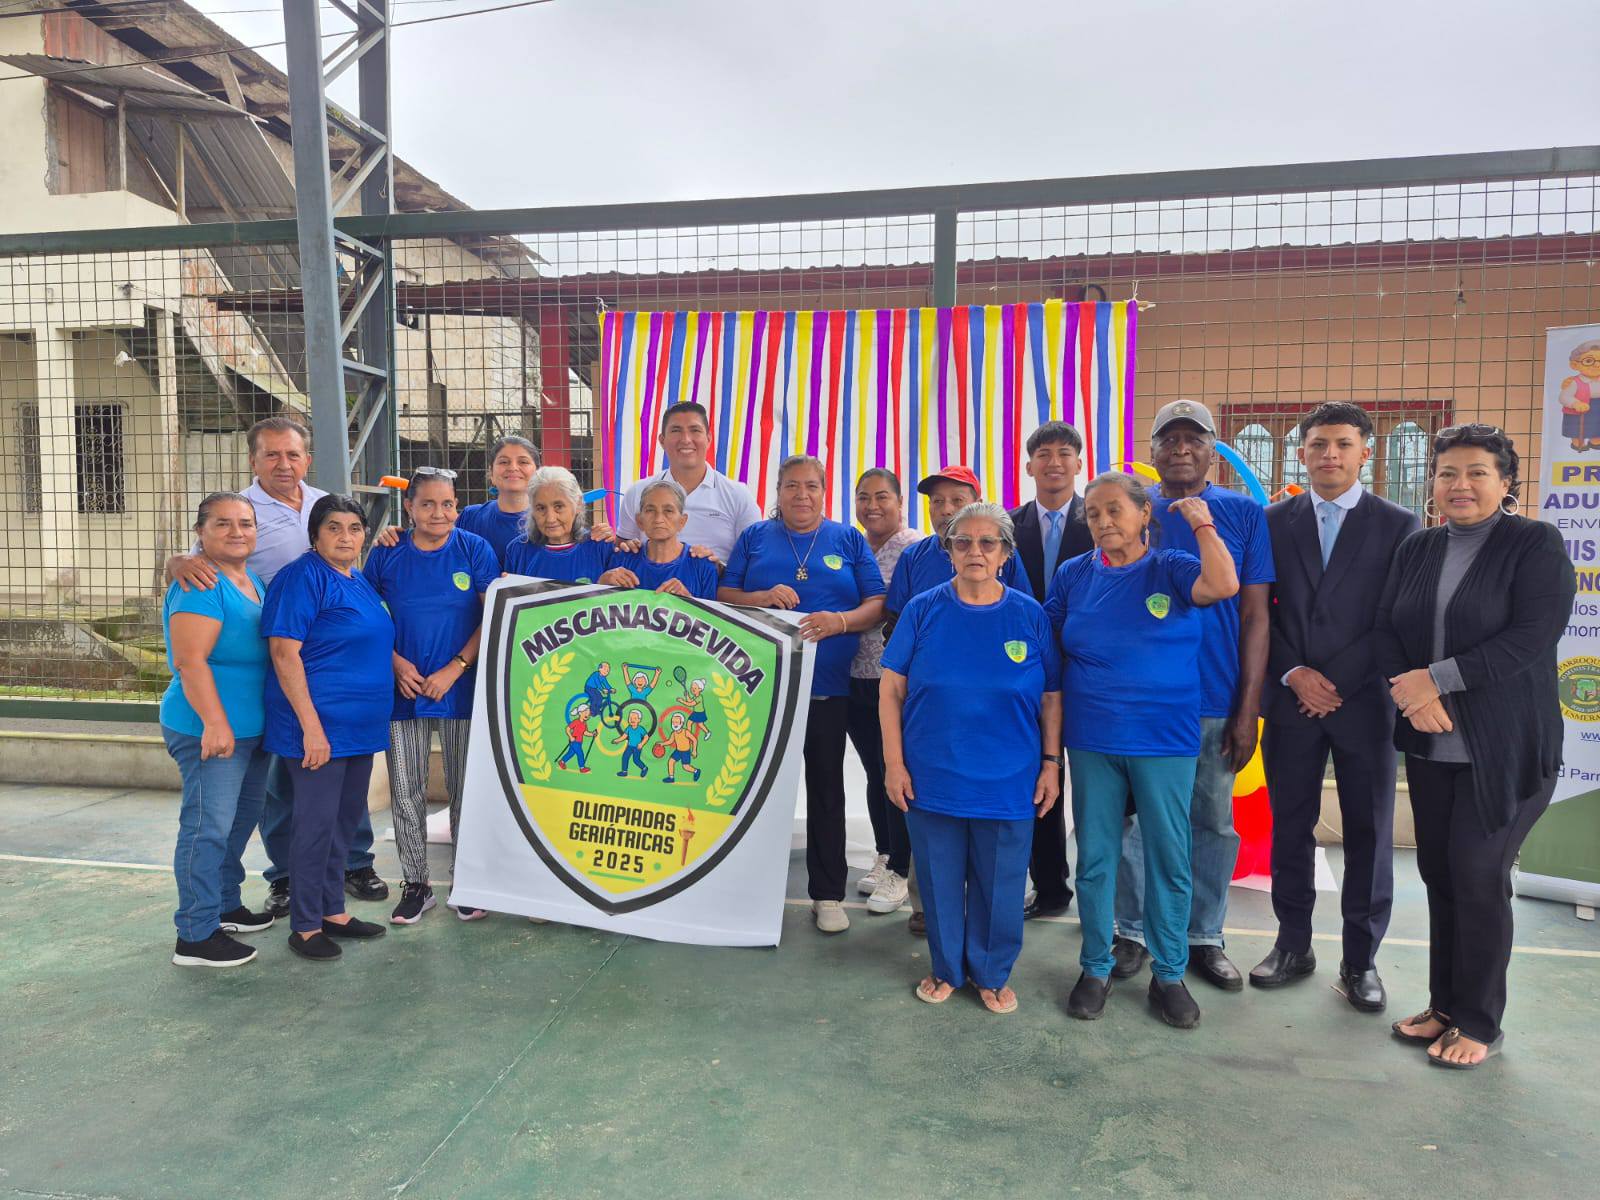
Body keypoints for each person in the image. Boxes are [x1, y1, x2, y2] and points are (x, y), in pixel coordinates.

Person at [1376, 424, 1575, 1068]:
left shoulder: (1534, 544)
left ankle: (1481, 1022)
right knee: (1439, 874)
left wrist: (1434, 680)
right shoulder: (1418, 547)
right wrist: (1413, 696)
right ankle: (1445, 1005)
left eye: (1477, 472)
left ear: (1506, 481)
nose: (1460, 485)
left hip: (1506, 749)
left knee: (1478, 875)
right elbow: (1386, 630)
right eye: (1447, 473)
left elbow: (1531, 637)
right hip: (1432, 746)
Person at [167, 416, 387, 918]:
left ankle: (339, 874)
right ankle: (276, 887)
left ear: (307, 458)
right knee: (268, 801)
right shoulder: (238, 512)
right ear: (253, 460)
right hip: (266, 687)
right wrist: (177, 561)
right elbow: (194, 620)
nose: (283, 464)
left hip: (284, 690)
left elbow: (352, 561)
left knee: (316, 798)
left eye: (292, 454)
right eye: (271, 454)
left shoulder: (322, 506)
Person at [1049, 472, 1239, 1027]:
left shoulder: (1172, 566)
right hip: (1093, 737)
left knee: (1168, 855)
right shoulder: (1073, 574)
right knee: (1096, 857)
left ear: (1144, 514)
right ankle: (1095, 967)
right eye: (1093, 513)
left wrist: (1202, 523)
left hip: (1163, 738)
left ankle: (1170, 974)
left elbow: (1224, 585)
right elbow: (1047, 642)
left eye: (1114, 510)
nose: (1103, 521)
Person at [1251, 403, 1420, 1010]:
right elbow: (1259, 610)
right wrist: (1295, 674)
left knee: (1369, 833)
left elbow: (1395, 616)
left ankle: (1360, 961)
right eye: (1319, 444)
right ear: (1301, 453)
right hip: (1290, 700)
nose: (1330, 454)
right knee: (1290, 826)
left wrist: (1336, 682)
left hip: (1365, 703)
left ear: (1364, 453)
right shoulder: (1272, 521)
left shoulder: (1398, 524)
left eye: (1343, 444)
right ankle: (1292, 944)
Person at [1112, 400, 1273, 993]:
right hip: (1139, 702)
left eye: (1194, 438)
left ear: (1213, 450)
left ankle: (1204, 935)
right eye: (1169, 439)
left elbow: (1256, 615)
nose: (1181, 448)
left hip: (1213, 699)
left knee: (1211, 820)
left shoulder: (1243, 513)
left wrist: (1247, 708)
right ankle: (1130, 931)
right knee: (1133, 823)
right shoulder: (1132, 508)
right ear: (1152, 451)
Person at [881, 503, 1061, 1014]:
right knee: (938, 880)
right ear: (949, 551)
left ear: (1005, 554)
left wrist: (1051, 763)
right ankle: (945, 969)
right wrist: (894, 764)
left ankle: (991, 972)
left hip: (1010, 778)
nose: (975, 551)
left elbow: (1051, 696)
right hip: (932, 775)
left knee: (1001, 883)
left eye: (988, 542)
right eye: (963, 542)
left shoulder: (1030, 615)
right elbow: (890, 690)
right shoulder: (922, 610)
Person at [720, 454, 886, 933]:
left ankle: (827, 894)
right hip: (760, 691)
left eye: (811, 485)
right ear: (778, 491)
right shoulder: (755, 537)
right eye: (791, 485)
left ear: (823, 491)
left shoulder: (847, 539)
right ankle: (743, 890)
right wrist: (761, 598)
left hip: (827, 692)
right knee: (755, 790)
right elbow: (724, 594)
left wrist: (841, 621)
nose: (801, 494)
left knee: (827, 791)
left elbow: (877, 603)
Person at [361, 468, 500, 925]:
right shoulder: (386, 553)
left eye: (447, 504)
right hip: (404, 691)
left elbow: (493, 616)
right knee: (406, 790)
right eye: (427, 504)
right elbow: (366, 617)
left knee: (465, 790)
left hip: (460, 690)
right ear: (409, 508)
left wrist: (455, 667)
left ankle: (466, 881)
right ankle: (416, 885)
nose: (438, 513)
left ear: (457, 507)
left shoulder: (474, 549)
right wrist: (395, 664)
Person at [885, 463, 1018, 935]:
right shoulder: (915, 558)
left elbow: (1017, 618)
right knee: (928, 810)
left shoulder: (1005, 557)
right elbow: (894, 626)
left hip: (991, 718)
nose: (944, 509)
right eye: (937, 501)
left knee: (986, 826)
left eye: (956, 500)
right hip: (931, 711)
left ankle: (984, 918)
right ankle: (927, 905)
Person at [262, 495, 396, 961]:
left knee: (343, 822)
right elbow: (284, 653)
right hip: (318, 728)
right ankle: (304, 926)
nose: (345, 537)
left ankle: (333, 912)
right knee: (315, 826)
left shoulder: (358, 580)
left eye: (354, 528)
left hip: (359, 727)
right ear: (315, 535)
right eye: (333, 527)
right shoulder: (301, 577)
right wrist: (311, 728)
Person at [160, 493, 273, 968]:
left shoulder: (252, 580)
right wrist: (215, 722)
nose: (236, 532)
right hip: (209, 729)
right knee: (206, 828)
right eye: (223, 523)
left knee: (238, 823)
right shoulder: (199, 583)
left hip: (250, 730)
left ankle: (225, 904)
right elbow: (190, 661)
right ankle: (196, 933)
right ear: (200, 532)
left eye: (245, 523)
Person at [1009, 421, 1095, 921]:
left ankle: (1104, 898)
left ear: (1078, 463)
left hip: (1087, 672)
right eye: (1044, 454)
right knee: (1038, 776)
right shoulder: (1007, 526)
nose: (1054, 462)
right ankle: (1049, 888)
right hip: (1025, 673)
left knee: (1096, 787)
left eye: (1065, 453)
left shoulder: (1100, 519)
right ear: (1029, 466)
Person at [848, 469, 922, 916]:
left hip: (893, 680)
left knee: (896, 770)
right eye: (863, 497)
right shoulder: (852, 545)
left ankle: (903, 866)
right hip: (853, 674)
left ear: (899, 502)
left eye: (881, 497)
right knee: (875, 772)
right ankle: (885, 852)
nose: (872, 506)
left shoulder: (913, 548)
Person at [617, 401, 763, 563]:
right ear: (662, 440)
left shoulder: (738, 496)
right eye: (676, 430)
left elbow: (756, 559)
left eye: (695, 430)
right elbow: (622, 551)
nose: (686, 439)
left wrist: (717, 569)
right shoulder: (637, 492)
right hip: (649, 580)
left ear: (708, 439)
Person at [600, 478, 720, 599]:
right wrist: (602, 584)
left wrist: (688, 601)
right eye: (650, 510)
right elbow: (601, 606)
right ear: (639, 521)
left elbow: (712, 611)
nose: (658, 519)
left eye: (668, 510)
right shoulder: (622, 559)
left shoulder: (703, 566)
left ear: (682, 521)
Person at [503, 466, 616, 582]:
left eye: (559, 507)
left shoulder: (600, 546)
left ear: (578, 505)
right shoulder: (518, 550)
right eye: (541, 508)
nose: (550, 519)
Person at [456, 435, 541, 562]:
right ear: (491, 472)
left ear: (537, 471)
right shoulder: (470, 517)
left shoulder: (549, 521)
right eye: (504, 462)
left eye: (523, 462)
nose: (513, 468)